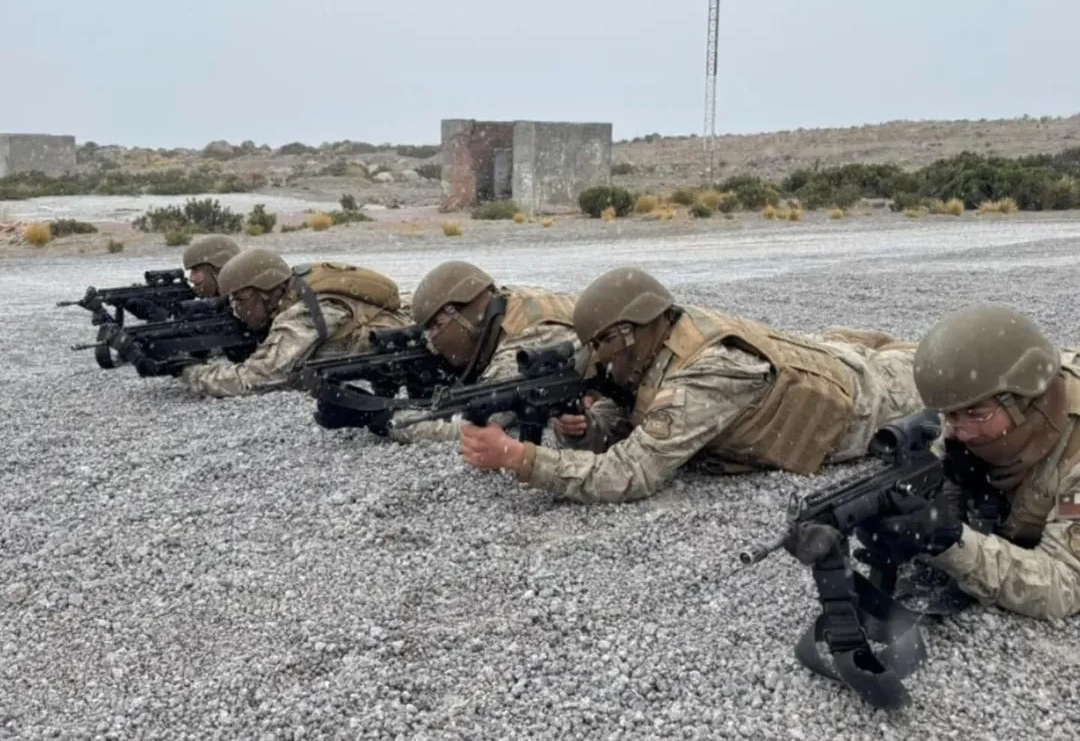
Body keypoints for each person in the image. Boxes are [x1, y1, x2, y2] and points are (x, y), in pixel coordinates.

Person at [459, 266, 923, 503]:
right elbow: (637, 413)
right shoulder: (657, 341)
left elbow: (630, 474)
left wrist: (520, 458)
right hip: (823, 355)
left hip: (874, 397)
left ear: (630, 334)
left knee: (935, 372)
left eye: (604, 349)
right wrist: (592, 427)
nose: (599, 362)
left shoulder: (706, 375)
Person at [859, 304, 1080, 620]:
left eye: (977, 415)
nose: (958, 430)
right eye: (950, 415)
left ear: (1024, 400)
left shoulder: (1074, 458)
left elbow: (1065, 586)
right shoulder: (968, 411)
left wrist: (951, 542)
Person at [388, 260, 615, 442]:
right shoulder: (505, 304)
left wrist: (390, 421)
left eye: (437, 327)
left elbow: (475, 421)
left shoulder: (524, 341)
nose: (432, 342)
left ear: (464, 315)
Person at [177, 247, 410, 397]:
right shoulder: (299, 294)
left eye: (241, 299)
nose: (237, 309)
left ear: (266, 292)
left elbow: (258, 378)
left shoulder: (303, 314)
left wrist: (190, 371)